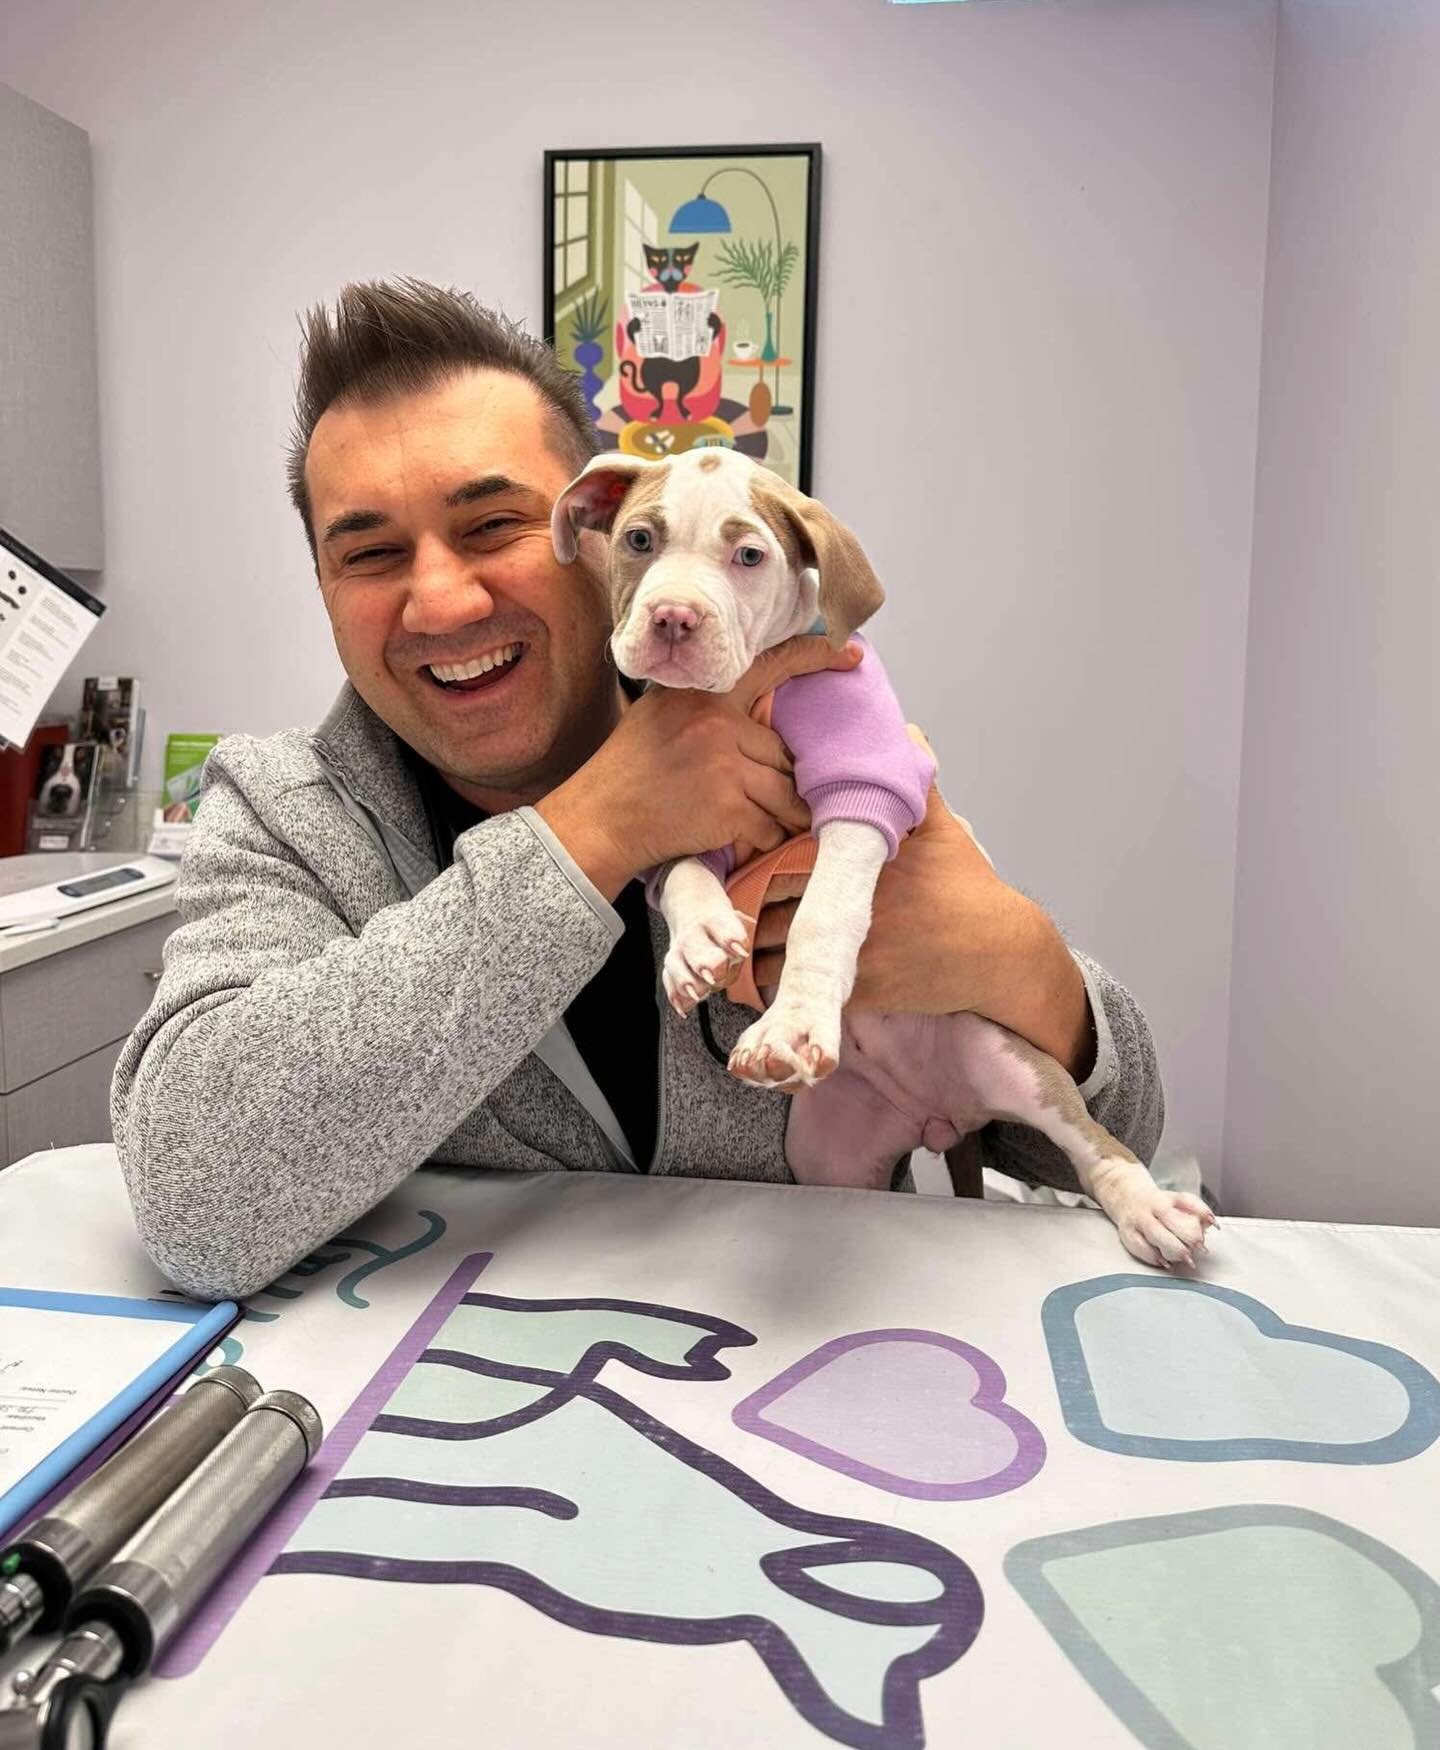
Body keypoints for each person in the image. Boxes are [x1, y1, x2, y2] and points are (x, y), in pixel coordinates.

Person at [111, 279, 1164, 1302]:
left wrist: (1017, 961)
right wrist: (598, 828)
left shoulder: (795, 723)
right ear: (326, 591)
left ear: (593, 534)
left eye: (491, 527)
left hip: (822, 1362)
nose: (439, 599)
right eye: (373, 552)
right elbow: (197, 1202)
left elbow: (1127, 1122)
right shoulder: (276, 811)